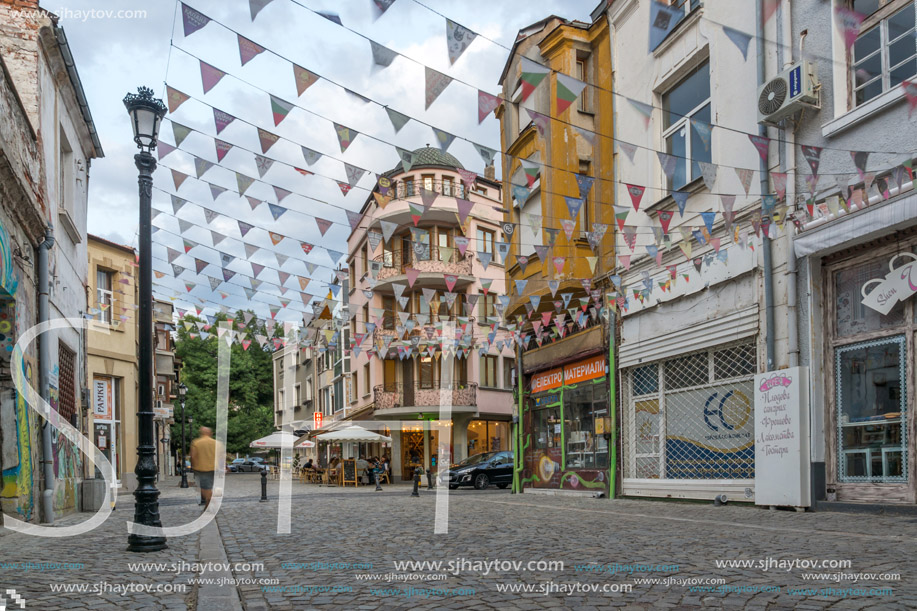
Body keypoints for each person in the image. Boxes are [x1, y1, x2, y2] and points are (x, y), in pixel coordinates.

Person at [190, 426, 222, 510]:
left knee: (204, 488)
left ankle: (212, 500)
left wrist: (193, 466)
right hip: (215, 468)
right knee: (209, 487)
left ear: (201, 433)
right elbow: (221, 456)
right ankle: (208, 505)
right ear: (210, 433)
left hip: (202, 468)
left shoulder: (196, 442)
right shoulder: (217, 443)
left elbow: (193, 456)